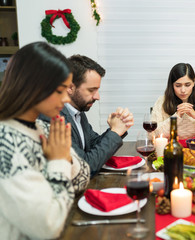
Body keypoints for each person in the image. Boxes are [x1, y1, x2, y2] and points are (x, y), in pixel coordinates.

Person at [0, 42, 90, 239]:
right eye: (60, 91)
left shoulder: (45, 128)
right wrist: (58, 161)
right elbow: (48, 226)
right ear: (32, 87)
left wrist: (63, 157)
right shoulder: (5, 141)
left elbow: (83, 176)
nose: (66, 99)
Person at [40, 55, 134, 177]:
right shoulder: (53, 116)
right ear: (70, 88)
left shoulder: (77, 111)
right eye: (91, 90)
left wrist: (117, 129)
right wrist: (115, 132)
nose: (97, 97)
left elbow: (93, 145)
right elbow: (84, 166)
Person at [151, 63, 195, 139]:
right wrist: (176, 117)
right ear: (172, 85)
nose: (183, 90)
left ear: (194, 82)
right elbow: (152, 135)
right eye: (178, 86)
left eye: (187, 85)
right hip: (171, 149)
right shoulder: (161, 102)